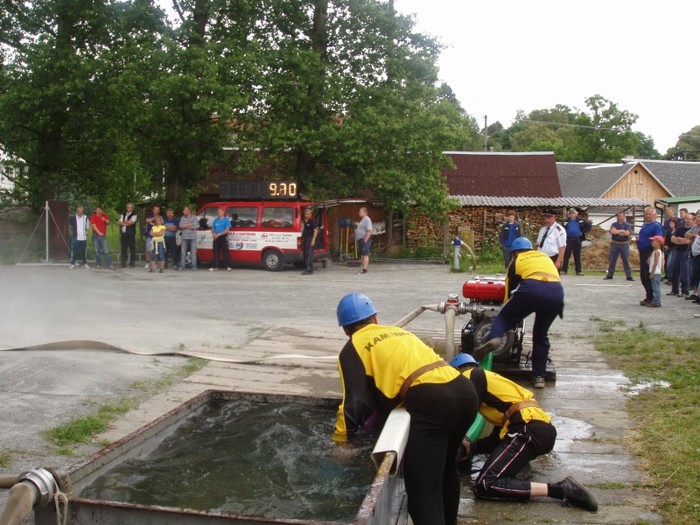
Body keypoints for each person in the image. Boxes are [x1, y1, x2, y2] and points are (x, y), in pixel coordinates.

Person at [333, 292, 478, 525]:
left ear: (345, 330)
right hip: (464, 391)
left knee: (422, 493)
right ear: (375, 318)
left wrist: (342, 441)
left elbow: (355, 402)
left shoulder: (353, 348)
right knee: (446, 469)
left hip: (434, 400)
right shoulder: (400, 332)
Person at [450, 353, 598, 512]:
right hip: (537, 429)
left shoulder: (471, 375)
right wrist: (472, 447)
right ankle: (517, 473)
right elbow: (496, 440)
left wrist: (455, 439)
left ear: (456, 371)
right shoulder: (498, 390)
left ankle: (561, 489)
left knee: (485, 484)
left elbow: (465, 411)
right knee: (497, 468)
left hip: (526, 429)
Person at [474, 237, 564, 389]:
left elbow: (509, 290)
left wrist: (507, 310)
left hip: (532, 288)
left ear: (515, 253)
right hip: (555, 293)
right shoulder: (545, 257)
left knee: (504, 318)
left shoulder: (517, 261)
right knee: (541, 336)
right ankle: (539, 377)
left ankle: (493, 338)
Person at [637, 207, 664, 306]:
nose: (647, 216)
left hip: (649, 251)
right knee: (643, 276)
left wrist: (652, 254)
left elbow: (658, 240)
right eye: (646, 214)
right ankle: (648, 296)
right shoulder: (644, 224)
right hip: (642, 251)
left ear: (654, 215)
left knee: (648, 275)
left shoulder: (656, 226)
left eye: (649, 214)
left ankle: (652, 298)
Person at [668, 212, 693, 298]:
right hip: (677, 251)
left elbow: (688, 241)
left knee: (684, 273)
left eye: (690, 219)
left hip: (686, 252)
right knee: (675, 271)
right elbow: (672, 239)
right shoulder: (680, 229)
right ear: (684, 219)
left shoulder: (692, 230)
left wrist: (678, 239)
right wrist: (681, 240)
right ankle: (674, 290)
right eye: (687, 219)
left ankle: (685, 291)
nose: (688, 221)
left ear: (692, 220)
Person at [604, 211, 634, 281]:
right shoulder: (614, 224)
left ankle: (629, 276)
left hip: (624, 244)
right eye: (619, 216)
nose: (620, 217)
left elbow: (627, 233)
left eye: (621, 216)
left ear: (624, 217)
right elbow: (612, 231)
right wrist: (621, 231)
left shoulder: (627, 225)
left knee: (625, 260)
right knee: (612, 260)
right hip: (615, 244)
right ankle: (610, 275)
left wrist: (617, 232)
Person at [561, 208, 591, 276]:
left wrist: (582, 231)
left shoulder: (581, 220)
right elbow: (562, 229)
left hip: (577, 239)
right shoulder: (565, 221)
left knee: (577, 255)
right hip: (568, 239)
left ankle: (578, 271)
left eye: (572, 213)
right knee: (566, 255)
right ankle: (564, 270)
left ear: (576, 214)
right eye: (570, 213)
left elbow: (589, 225)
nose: (571, 214)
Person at [210, 206, 232, 272]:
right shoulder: (215, 220)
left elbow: (227, 230)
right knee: (216, 252)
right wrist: (213, 233)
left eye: (219, 212)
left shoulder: (226, 220)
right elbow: (213, 228)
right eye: (218, 212)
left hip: (223, 237)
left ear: (223, 212)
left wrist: (219, 234)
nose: (218, 213)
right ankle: (215, 267)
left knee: (225, 252)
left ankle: (227, 266)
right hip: (216, 237)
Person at [178, 205, 198, 271]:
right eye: (183, 210)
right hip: (184, 237)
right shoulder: (182, 218)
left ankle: (194, 267)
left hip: (193, 237)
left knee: (193, 253)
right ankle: (182, 266)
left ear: (189, 211)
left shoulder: (194, 217)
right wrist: (189, 224)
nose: (183, 212)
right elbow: (181, 226)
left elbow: (195, 226)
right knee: (183, 252)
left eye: (185, 210)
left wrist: (185, 226)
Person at [647, 235, 665, 308]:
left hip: (656, 272)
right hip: (655, 272)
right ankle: (656, 301)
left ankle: (656, 301)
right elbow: (648, 261)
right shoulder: (655, 251)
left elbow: (655, 263)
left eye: (653, 241)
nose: (652, 242)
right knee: (655, 287)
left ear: (658, 242)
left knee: (655, 288)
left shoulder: (657, 252)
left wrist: (652, 273)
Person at [118, 202, 137, 268]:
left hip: (131, 235)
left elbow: (131, 223)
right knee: (123, 249)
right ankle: (123, 263)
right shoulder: (123, 214)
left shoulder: (134, 215)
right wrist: (126, 223)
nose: (128, 208)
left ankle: (132, 263)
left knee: (132, 249)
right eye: (127, 207)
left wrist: (124, 222)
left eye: (129, 207)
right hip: (123, 234)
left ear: (132, 208)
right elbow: (119, 222)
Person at [301, 207, 319, 275]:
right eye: (306, 214)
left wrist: (313, 240)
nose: (307, 215)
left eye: (308, 214)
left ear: (311, 214)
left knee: (309, 255)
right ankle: (307, 268)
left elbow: (315, 231)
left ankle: (309, 270)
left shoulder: (312, 221)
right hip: (305, 239)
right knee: (305, 255)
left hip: (310, 239)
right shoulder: (305, 221)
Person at [355, 207, 372, 274]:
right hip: (361, 239)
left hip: (364, 240)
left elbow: (369, 231)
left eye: (360, 212)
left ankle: (364, 269)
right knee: (363, 254)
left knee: (365, 255)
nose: (359, 213)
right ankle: (364, 268)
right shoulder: (363, 220)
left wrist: (365, 240)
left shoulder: (367, 220)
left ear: (365, 212)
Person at [662, 207, 676, 282]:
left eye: (670, 212)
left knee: (670, 263)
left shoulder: (676, 220)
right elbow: (664, 232)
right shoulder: (666, 221)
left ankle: (671, 278)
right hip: (666, 243)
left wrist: (669, 245)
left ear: (673, 212)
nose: (668, 214)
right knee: (666, 260)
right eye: (667, 212)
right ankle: (667, 275)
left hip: (672, 246)